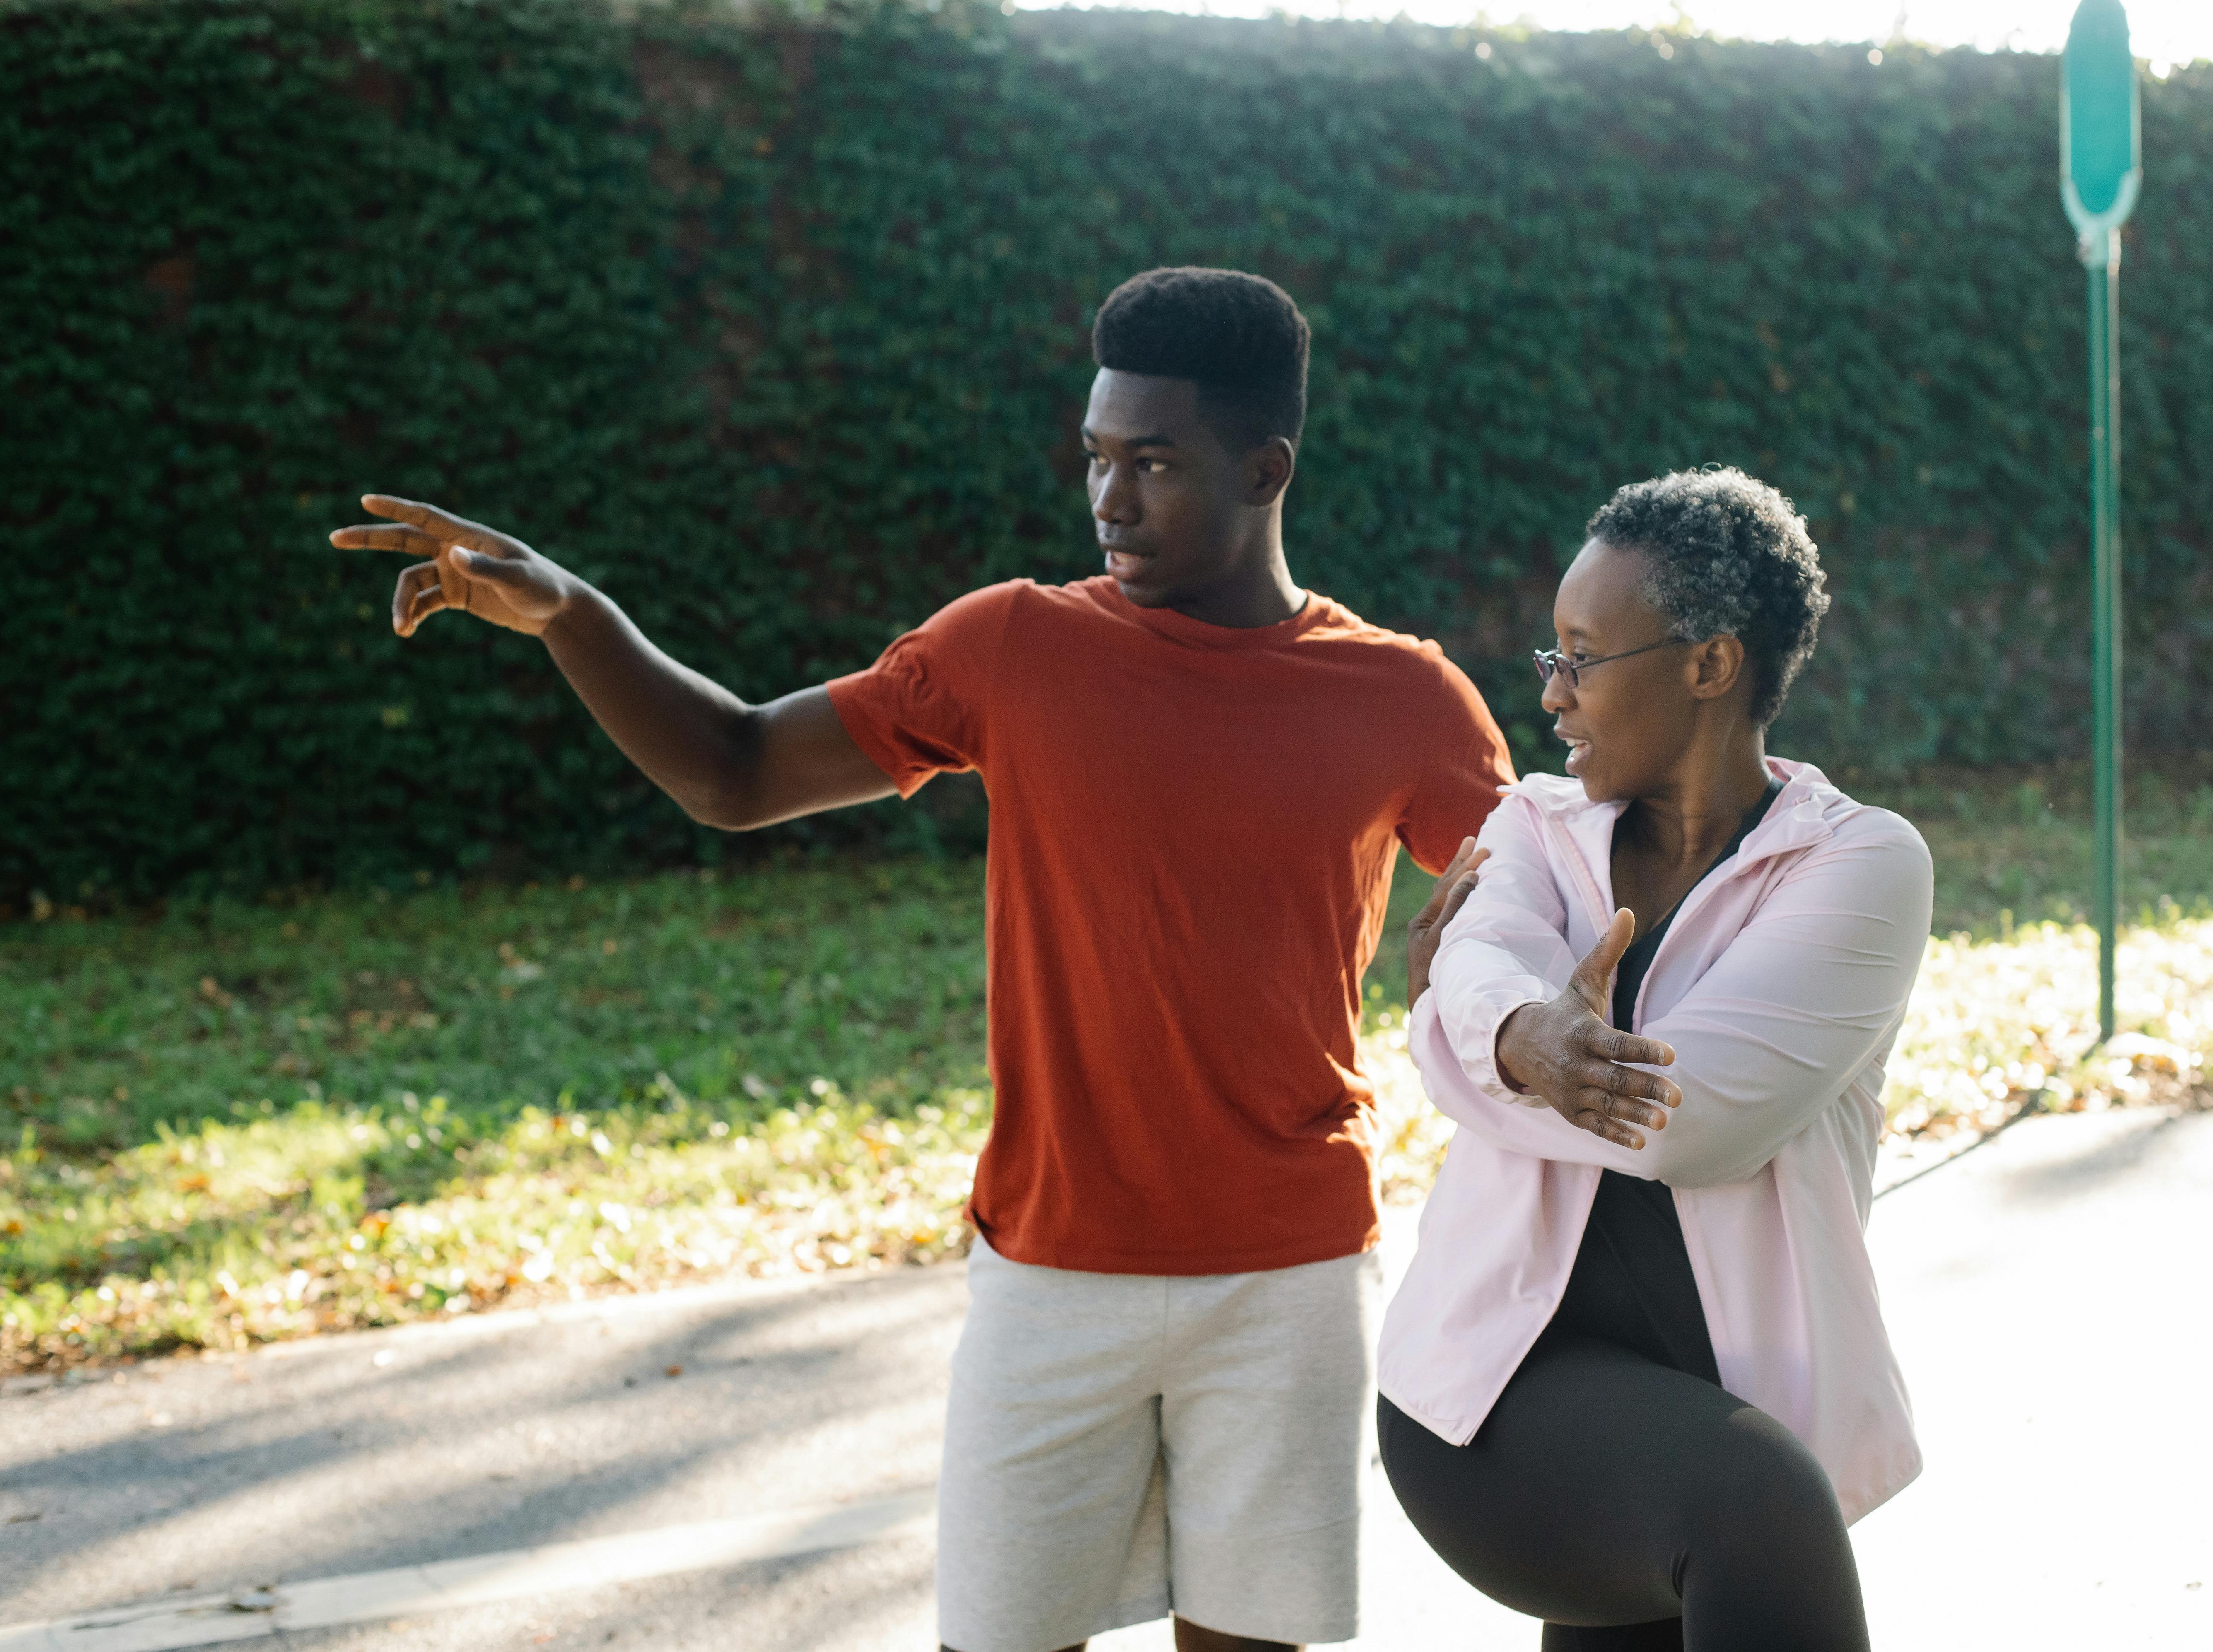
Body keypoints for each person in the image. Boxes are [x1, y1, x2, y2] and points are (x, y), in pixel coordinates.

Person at [329, 268, 1513, 1652]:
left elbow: (1534, 919)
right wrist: (573, 615)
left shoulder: (1402, 698)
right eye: (1094, 458)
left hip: (1289, 1278)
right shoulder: (1017, 644)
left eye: (1154, 463)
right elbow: (737, 770)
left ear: (1267, 469)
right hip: (1053, 1275)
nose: (1110, 500)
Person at [1380, 468, 1933, 1651]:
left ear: (1709, 664)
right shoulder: (1532, 823)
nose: (1553, 692)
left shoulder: (1861, 867)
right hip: (1494, 1388)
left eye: (1584, 656)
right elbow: (1474, 984)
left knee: (1729, 1504)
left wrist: (1476, 1051)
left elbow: (1690, 1123)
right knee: (1758, 1505)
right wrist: (1515, 1033)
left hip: (1717, 1391)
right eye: (1554, 653)